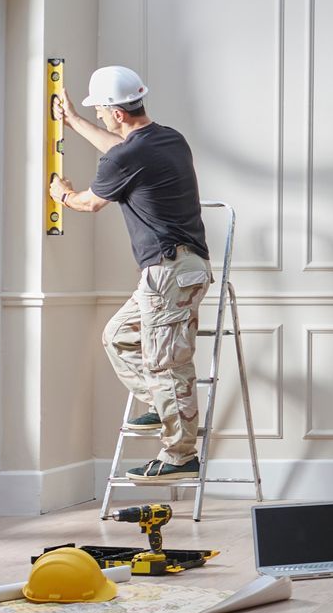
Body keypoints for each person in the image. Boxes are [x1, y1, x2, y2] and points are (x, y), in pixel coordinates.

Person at [50, 65, 212, 483]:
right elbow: (118, 148)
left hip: (169, 271)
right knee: (118, 336)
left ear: (117, 113)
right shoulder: (168, 139)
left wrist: (62, 195)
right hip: (178, 270)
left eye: (102, 112)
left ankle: (180, 455)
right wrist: (74, 121)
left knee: (166, 365)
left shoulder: (127, 156)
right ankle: (162, 405)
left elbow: (90, 203)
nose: (103, 119)